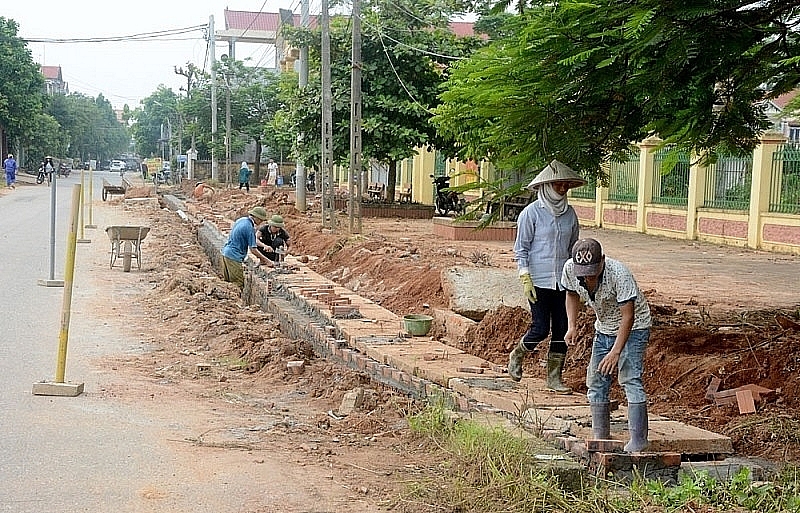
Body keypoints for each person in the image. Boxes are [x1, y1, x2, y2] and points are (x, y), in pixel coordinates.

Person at [561, 238, 652, 452]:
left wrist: (616, 351)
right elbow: (571, 294)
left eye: (593, 271)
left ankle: (639, 440)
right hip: (603, 327)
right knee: (596, 380)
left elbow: (628, 316)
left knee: (629, 378)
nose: (588, 277)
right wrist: (572, 325)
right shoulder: (570, 270)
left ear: (602, 260)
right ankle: (601, 434)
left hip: (634, 327)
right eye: (584, 272)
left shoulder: (619, 274)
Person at [507, 159, 587, 394]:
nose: (562, 189)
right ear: (546, 186)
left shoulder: (570, 214)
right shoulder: (530, 214)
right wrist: (525, 277)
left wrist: (579, 278)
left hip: (564, 281)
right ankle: (517, 354)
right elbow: (521, 248)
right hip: (538, 280)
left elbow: (574, 249)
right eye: (557, 185)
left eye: (565, 186)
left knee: (562, 329)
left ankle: (554, 378)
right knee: (540, 327)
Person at [220, 207, 273, 287]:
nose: (261, 222)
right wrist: (266, 260)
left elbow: (251, 240)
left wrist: (264, 246)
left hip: (226, 253)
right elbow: (253, 249)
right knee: (237, 284)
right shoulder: (249, 228)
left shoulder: (242, 220)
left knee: (228, 285)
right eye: (261, 220)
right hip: (234, 256)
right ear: (256, 218)